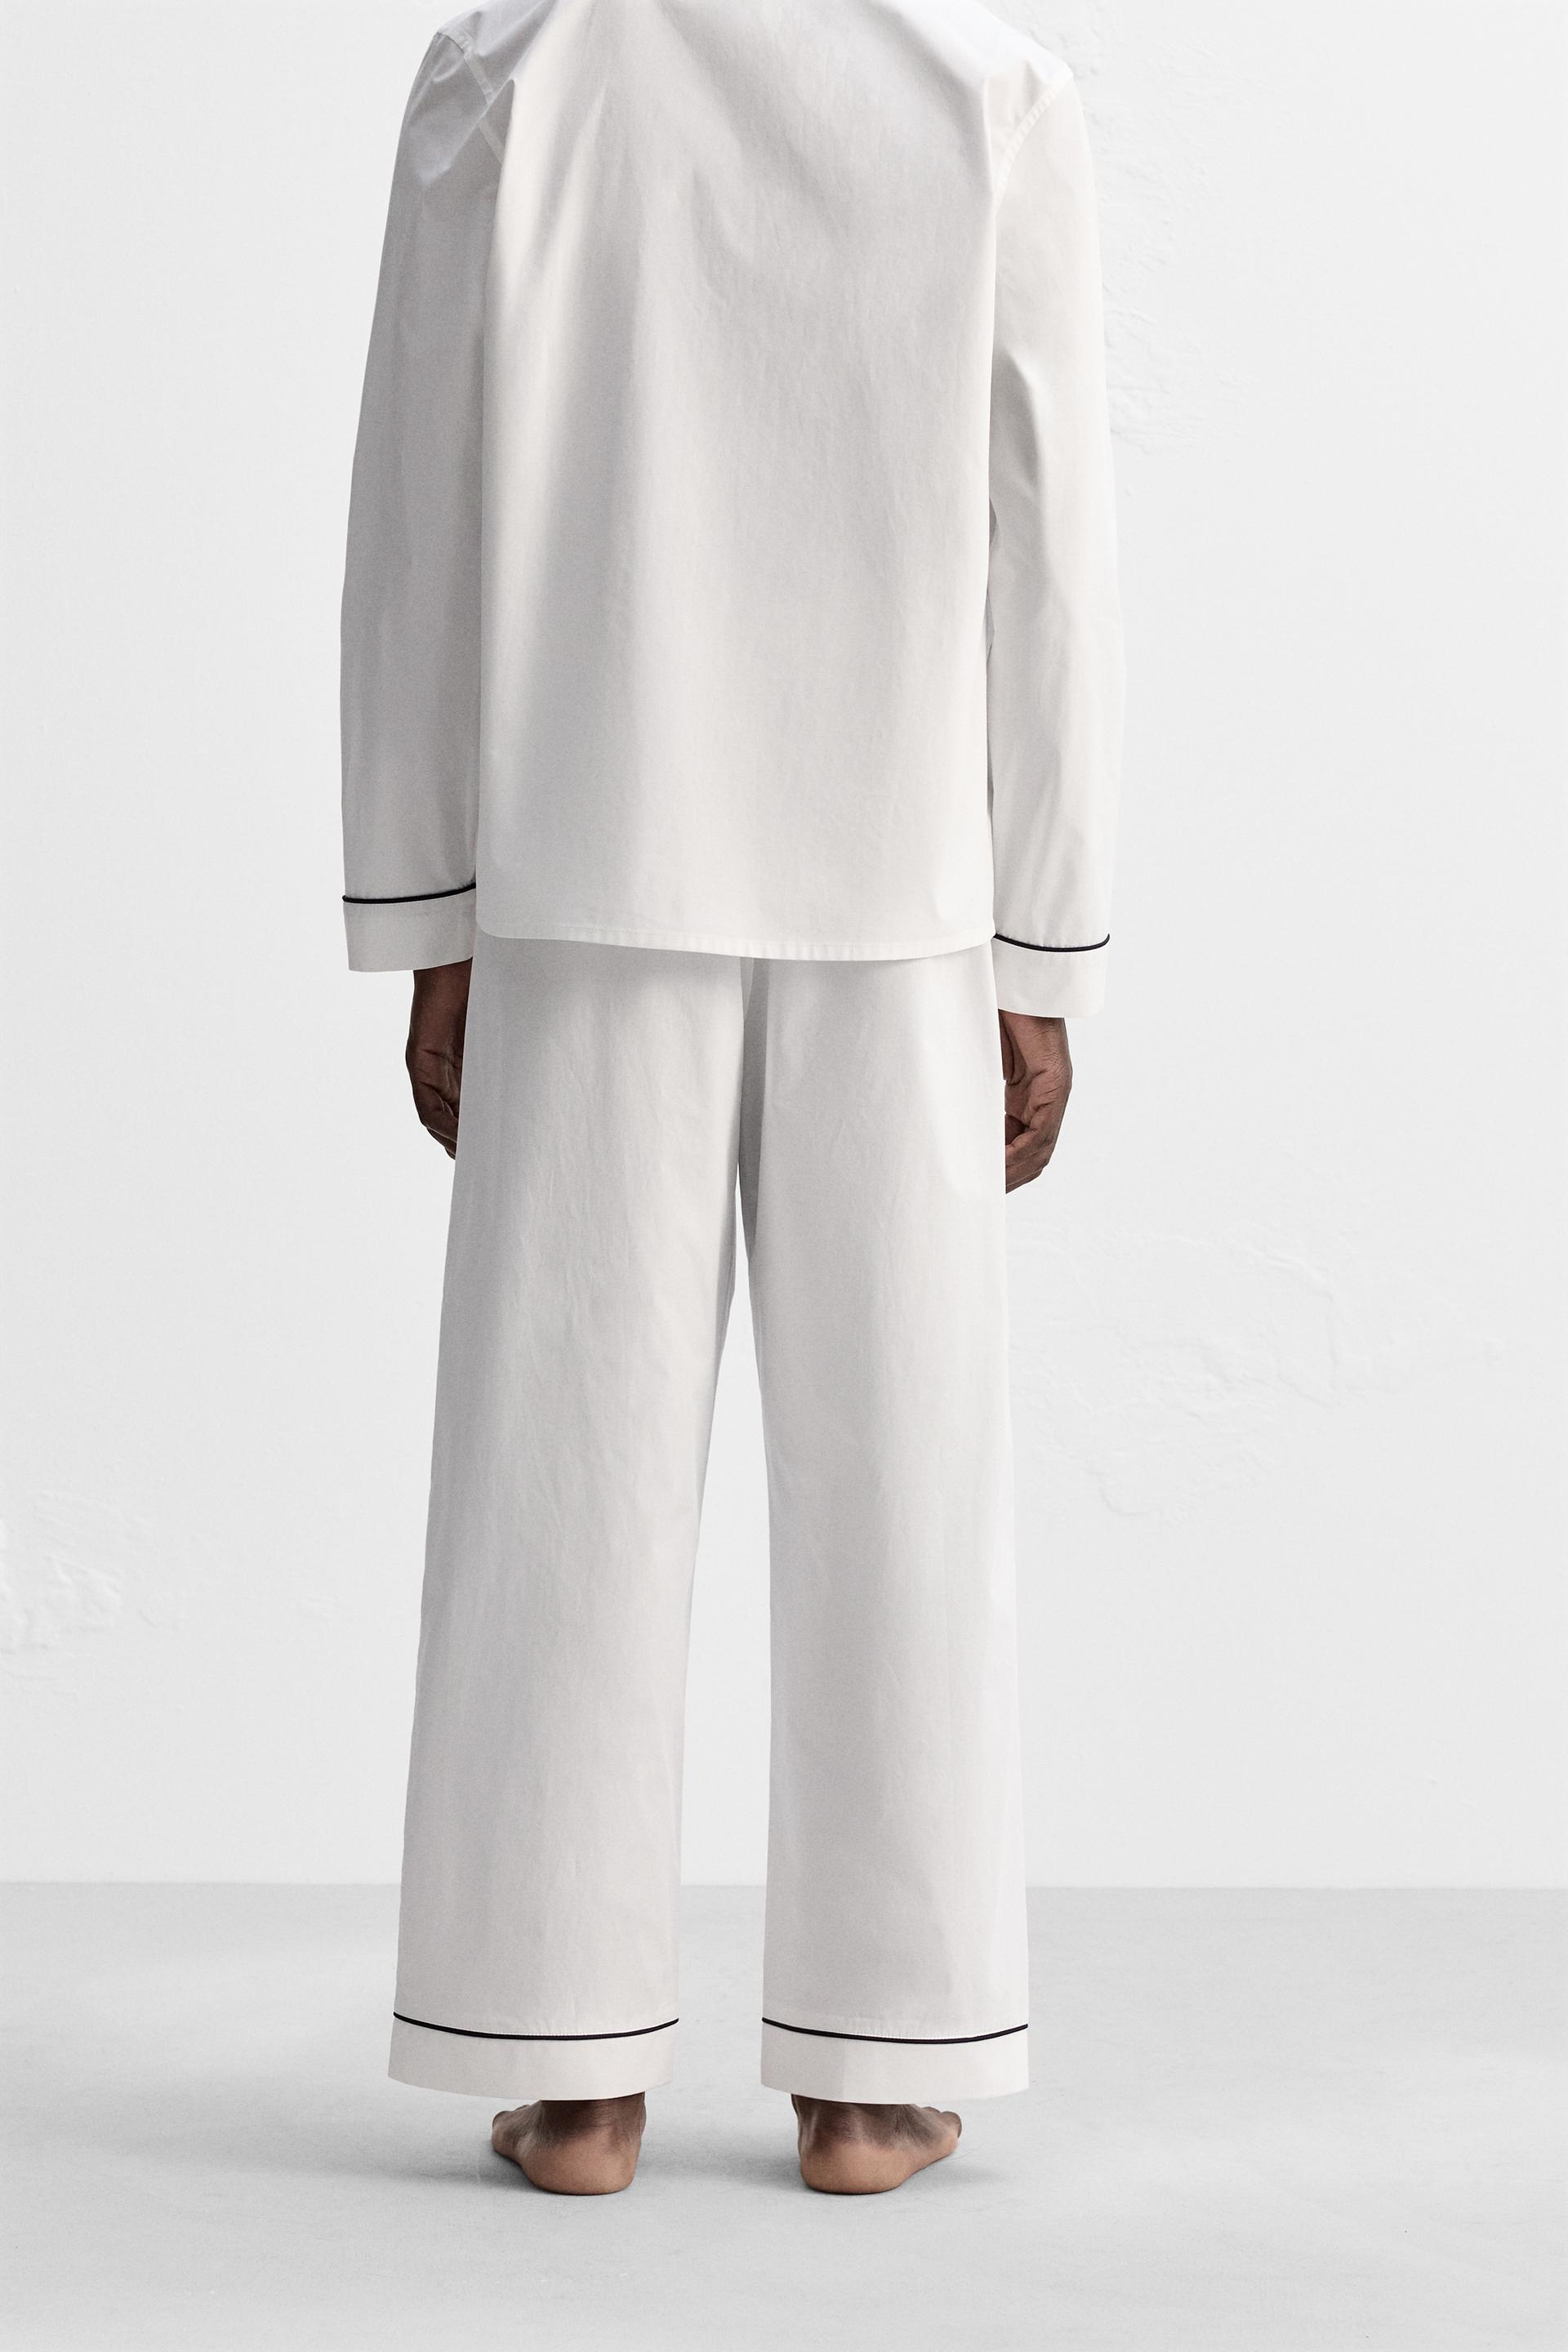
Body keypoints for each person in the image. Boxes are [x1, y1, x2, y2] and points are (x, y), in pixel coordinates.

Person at [341, 0, 1123, 2197]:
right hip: (902, 879)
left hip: (585, 852)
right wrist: (1044, 941)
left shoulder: (508, 62)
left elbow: (422, 494)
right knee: (908, 1480)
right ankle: (877, 2076)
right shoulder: (991, 85)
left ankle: (567, 2067)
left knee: (555, 1478)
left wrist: (430, 906)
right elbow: (1051, 533)